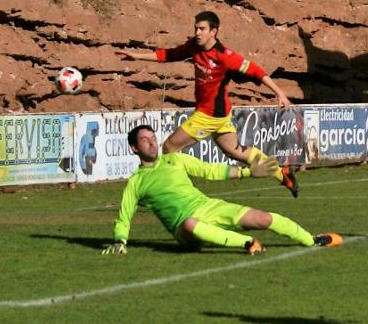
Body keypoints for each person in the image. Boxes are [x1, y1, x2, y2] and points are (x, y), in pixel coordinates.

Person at [118, 10, 300, 197]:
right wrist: (137, 56)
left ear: (214, 31)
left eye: (202, 29)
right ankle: (281, 173)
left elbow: (256, 71)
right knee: (235, 151)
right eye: (196, 28)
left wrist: (280, 93)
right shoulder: (194, 47)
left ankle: (176, 191)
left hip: (209, 116)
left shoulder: (225, 56)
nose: (197, 32)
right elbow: (169, 55)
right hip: (221, 115)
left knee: (169, 147)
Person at [105, 125, 342, 256]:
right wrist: (120, 240)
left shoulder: (174, 160)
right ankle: (248, 243)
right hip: (183, 228)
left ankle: (311, 240)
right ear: (134, 148)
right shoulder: (135, 182)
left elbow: (211, 171)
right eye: (144, 140)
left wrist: (249, 172)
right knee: (189, 223)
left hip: (207, 207)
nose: (152, 142)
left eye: (153, 137)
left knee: (263, 218)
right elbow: (124, 215)